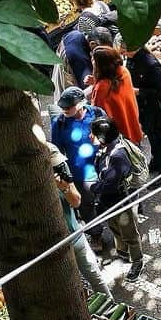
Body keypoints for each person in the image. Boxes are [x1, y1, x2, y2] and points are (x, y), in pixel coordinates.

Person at [46, 143, 113, 300]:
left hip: (74, 235)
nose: (59, 166)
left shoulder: (61, 169)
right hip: (53, 245)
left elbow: (76, 202)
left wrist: (64, 188)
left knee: (94, 275)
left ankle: (111, 306)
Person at [90, 117, 145, 281]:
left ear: (102, 137)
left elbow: (110, 185)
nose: (90, 136)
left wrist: (93, 188)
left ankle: (137, 261)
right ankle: (123, 252)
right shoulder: (107, 148)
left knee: (129, 234)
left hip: (122, 201)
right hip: (111, 201)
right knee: (115, 228)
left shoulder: (117, 156)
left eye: (92, 134)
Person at [50, 88, 105, 233]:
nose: (64, 109)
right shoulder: (59, 123)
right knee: (86, 207)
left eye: (69, 106)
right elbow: (57, 153)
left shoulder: (97, 113)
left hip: (102, 168)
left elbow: (108, 135)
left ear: (81, 103)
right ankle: (95, 234)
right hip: (79, 175)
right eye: (62, 107)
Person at [125, 42, 161, 182]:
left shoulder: (151, 64)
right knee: (153, 139)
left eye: (124, 49)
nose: (122, 53)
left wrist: (139, 92)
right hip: (143, 109)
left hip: (155, 110)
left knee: (160, 141)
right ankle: (156, 162)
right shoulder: (132, 60)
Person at [89, 46, 144, 144]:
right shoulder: (124, 72)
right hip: (132, 125)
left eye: (94, 60)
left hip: (117, 136)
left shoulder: (102, 87)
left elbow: (98, 113)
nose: (92, 61)